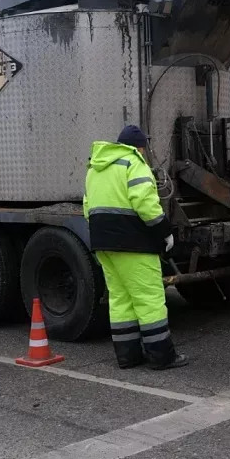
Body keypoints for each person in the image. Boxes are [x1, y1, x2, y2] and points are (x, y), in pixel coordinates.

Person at [83, 125, 188, 370]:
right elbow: (145, 204)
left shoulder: (94, 169)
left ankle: (128, 357)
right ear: (139, 147)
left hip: (103, 245)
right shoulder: (133, 164)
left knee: (120, 300)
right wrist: (164, 230)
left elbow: (88, 208)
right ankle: (162, 357)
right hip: (134, 245)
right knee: (149, 299)